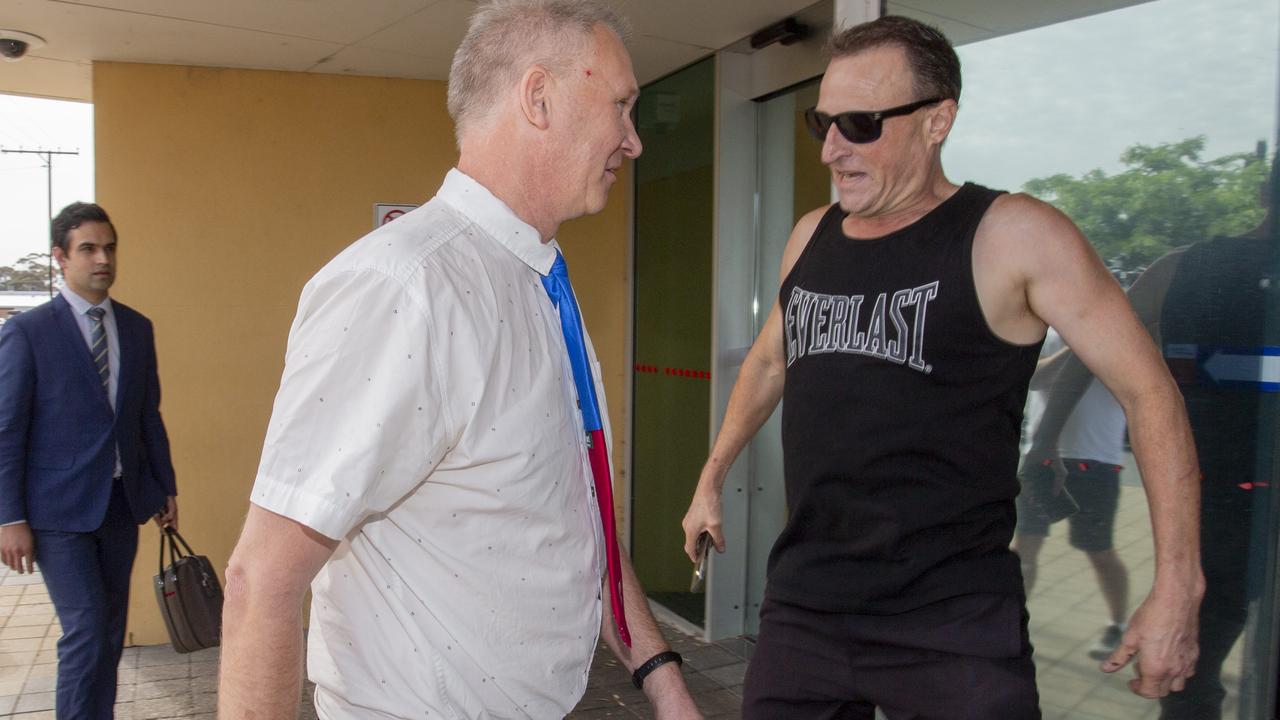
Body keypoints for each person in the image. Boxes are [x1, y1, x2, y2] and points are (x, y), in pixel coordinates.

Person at [681, 15, 1203, 720]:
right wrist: (712, 476)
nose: (832, 149)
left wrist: (1176, 585)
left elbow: (1150, 394)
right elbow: (773, 360)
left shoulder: (1013, 236)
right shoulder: (811, 236)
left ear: (938, 121)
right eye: (822, 123)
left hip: (952, 623)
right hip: (807, 608)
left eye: (861, 124)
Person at [217, 2, 702, 718]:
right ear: (539, 98)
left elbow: (576, 513)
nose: (633, 141)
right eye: (622, 106)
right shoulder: (405, 290)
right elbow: (262, 579)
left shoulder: (539, 278)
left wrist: (663, 680)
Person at [0, 201, 179, 718]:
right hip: (58, 515)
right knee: (86, 630)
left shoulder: (137, 328)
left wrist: (164, 487)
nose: (103, 258)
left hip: (122, 507)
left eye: (110, 247)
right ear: (61, 257)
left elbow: (147, 415)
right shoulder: (29, 332)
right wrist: (10, 517)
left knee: (107, 634)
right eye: (89, 248)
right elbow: (8, 430)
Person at [1122, 156, 1278, 720]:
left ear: (1263, 192)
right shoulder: (1181, 268)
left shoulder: (1181, 268)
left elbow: (1089, 360)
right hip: (1222, 504)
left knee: (1196, 670)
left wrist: (1043, 444)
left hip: (1216, 502)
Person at [1013, 328, 1131, 661]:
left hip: (1097, 461)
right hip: (1043, 460)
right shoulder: (1046, 333)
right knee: (1024, 548)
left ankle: (1118, 625)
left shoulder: (1119, 333)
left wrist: (1095, 341)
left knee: (1099, 551)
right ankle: (1012, 623)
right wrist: (1081, 344)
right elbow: (1033, 378)